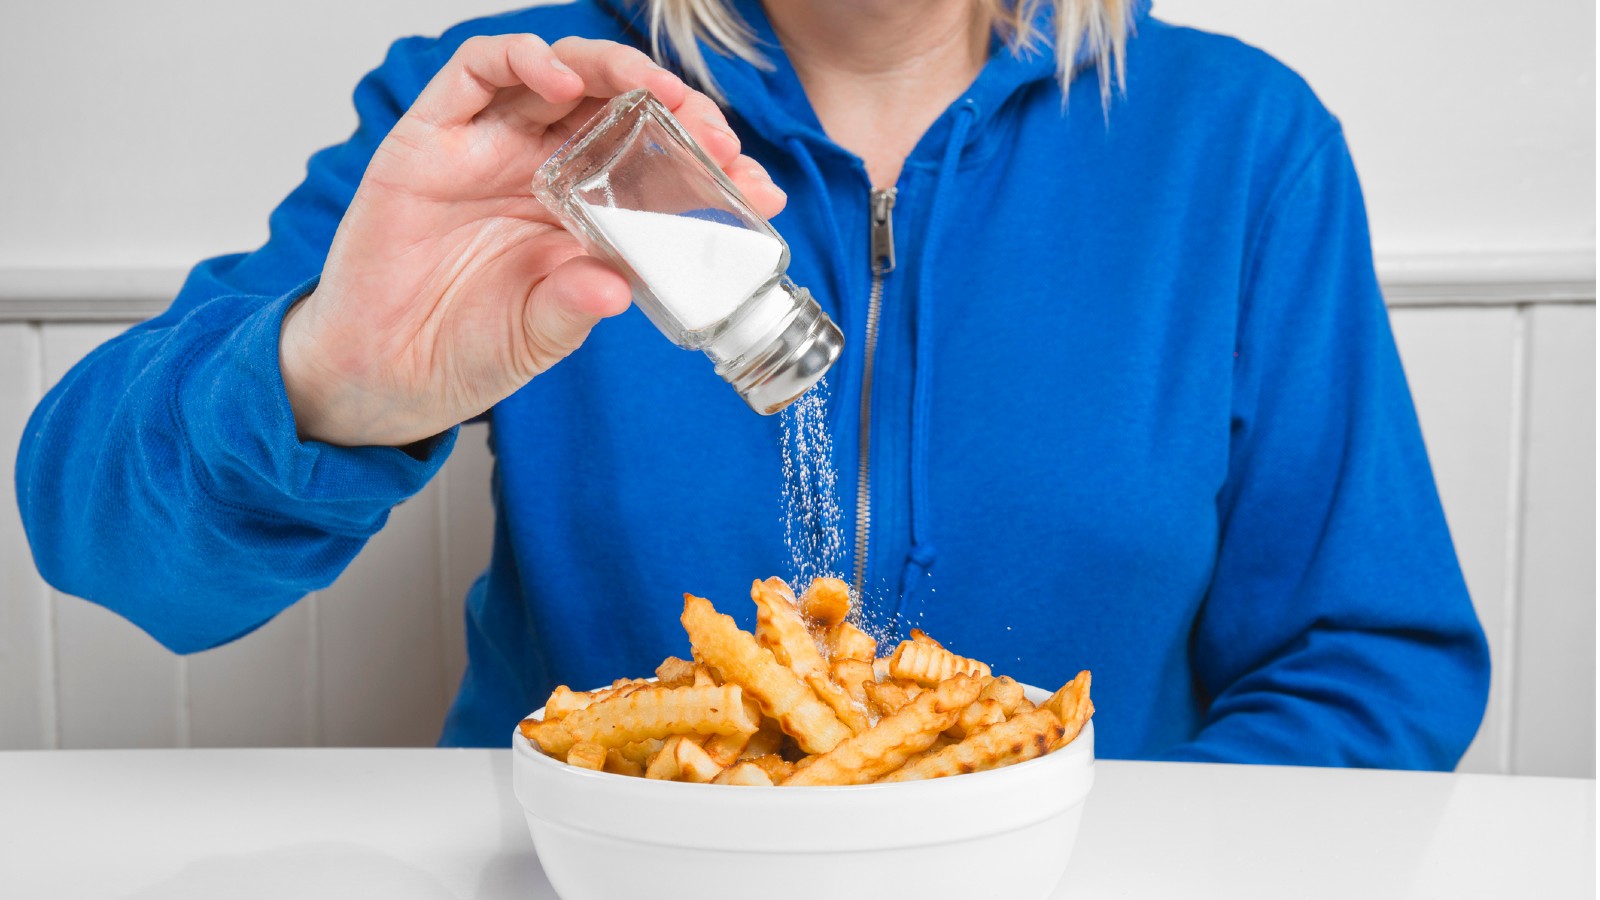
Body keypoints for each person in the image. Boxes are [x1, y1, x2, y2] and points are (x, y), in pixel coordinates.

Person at [16, 0, 1489, 766]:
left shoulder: (1239, 147)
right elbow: (101, 542)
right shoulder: (520, 113)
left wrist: (1104, 860)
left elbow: (1375, 661)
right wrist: (328, 379)